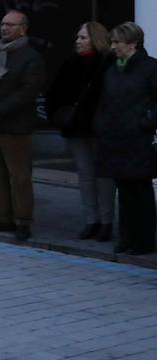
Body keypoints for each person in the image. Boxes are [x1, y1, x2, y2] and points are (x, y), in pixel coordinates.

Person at [0, 10, 45, 241]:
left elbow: (27, 92)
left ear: (23, 29)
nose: (4, 28)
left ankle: (22, 220)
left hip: (14, 126)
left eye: (10, 25)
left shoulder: (30, 57)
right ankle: (1, 217)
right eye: (3, 24)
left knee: (19, 176)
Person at [46, 21, 114, 241]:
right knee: (85, 175)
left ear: (96, 39)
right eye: (77, 37)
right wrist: (57, 117)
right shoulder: (69, 64)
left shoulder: (108, 63)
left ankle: (107, 221)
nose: (78, 41)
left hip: (100, 129)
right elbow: (53, 94)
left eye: (83, 37)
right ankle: (91, 220)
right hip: (75, 128)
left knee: (104, 176)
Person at [94, 22, 157, 255]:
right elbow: (104, 102)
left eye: (117, 42)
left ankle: (144, 240)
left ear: (132, 43)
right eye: (112, 42)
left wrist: (145, 121)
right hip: (114, 138)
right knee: (124, 190)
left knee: (140, 189)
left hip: (138, 139)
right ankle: (127, 237)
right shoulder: (112, 70)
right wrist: (101, 124)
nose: (112, 47)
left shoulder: (150, 68)